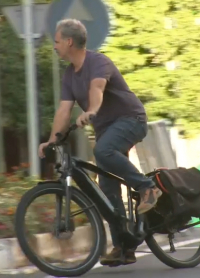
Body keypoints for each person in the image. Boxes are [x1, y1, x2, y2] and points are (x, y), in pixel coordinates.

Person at [38, 19, 162, 267]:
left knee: (103, 151)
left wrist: (92, 110)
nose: (54, 46)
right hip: (107, 129)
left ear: (69, 42)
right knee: (106, 184)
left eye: (57, 41)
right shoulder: (69, 74)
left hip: (130, 119)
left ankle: (148, 187)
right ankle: (123, 246)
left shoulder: (98, 62)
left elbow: (97, 88)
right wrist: (52, 140)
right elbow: (64, 110)